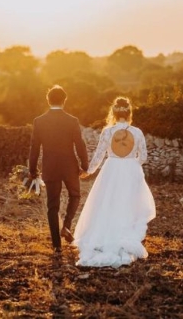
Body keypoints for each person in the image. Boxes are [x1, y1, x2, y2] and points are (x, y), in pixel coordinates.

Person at [73, 96, 156, 268]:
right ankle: (127, 234)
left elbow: (98, 155)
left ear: (113, 112)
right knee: (129, 204)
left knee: (108, 203)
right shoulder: (138, 132)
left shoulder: (107, 132)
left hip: (110, 170)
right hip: (130, 171)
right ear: (129, 113)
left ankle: (103, 236)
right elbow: (144, 156)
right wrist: (132, 164)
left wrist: (88, 171)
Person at [28, 85, 90, 253]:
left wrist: (32, 170)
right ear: (65, 100)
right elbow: (80, 144)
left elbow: (34, 148)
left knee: (52, 206)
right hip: (69, 166)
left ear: (48, 100)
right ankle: (67, 226)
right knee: (75, 195)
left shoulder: (39, 121)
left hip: (50, 167)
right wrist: (85, 165)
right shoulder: (72, 121)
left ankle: (56, 245)